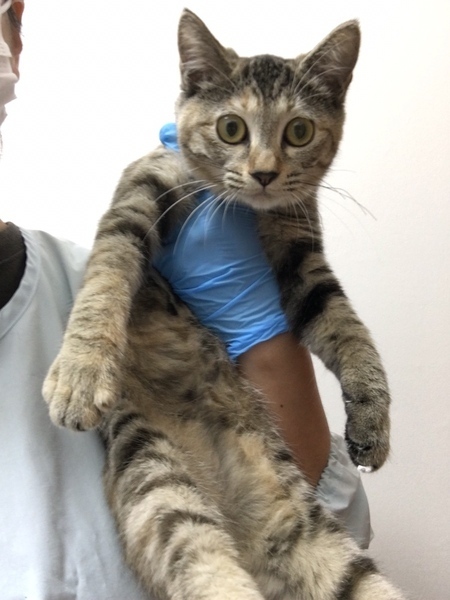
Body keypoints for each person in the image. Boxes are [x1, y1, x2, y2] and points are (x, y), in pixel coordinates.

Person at [0, 2, 371, 597]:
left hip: (240, 455)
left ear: (15, 31)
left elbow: (329, 516)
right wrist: (93, 338)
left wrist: (266, 337)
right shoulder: (100, 277)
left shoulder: (69, 274)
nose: (265, 165)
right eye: (234, 129)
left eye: (297, 133)